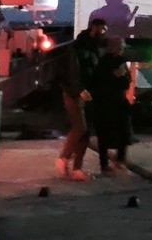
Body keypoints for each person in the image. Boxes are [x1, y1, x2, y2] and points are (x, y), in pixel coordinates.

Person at [87, 33, 137, 174]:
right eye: (120, 47)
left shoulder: (112, 61)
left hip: (114, 101)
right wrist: (116, 77)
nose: (122, 49)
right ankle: (108, 163)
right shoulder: (106, 63)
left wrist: (119, 78)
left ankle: (117, 159)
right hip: (107, 102)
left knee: (121, 131)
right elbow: (104, 82)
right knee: (107, 133)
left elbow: (125, 81)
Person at [53, 21, 94, 181]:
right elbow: (73, 72)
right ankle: (63, 159)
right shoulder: (77, 49)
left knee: (86, 131)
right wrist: (80, 90)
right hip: (75, 93)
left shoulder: (91, 48)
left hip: (87, 93)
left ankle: (77, 168)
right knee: (80, 127)